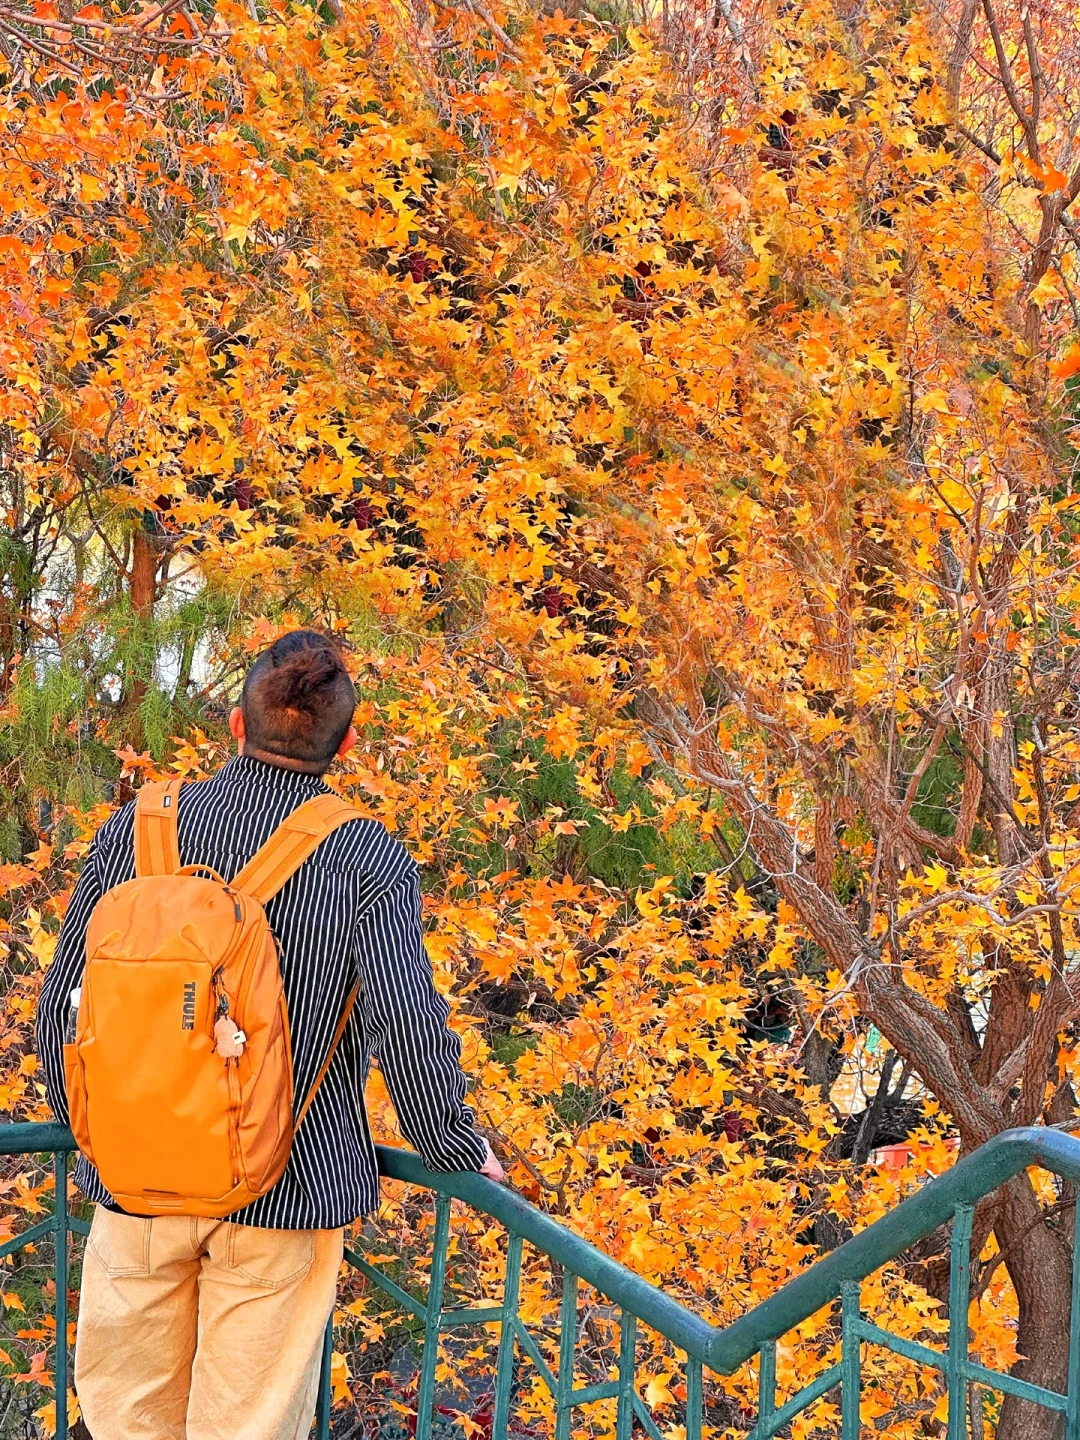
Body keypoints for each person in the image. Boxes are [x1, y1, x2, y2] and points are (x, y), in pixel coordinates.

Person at [36, 629, 503, 1440]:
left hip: (136, 1181)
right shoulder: (364, 855)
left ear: (232, 721)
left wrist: (100, 1135)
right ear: (348, 742)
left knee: (121, 1423)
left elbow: (62, 1008)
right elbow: (409, 1027)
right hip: (285, 1189)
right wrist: (460, 1149)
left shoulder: (139, 829)